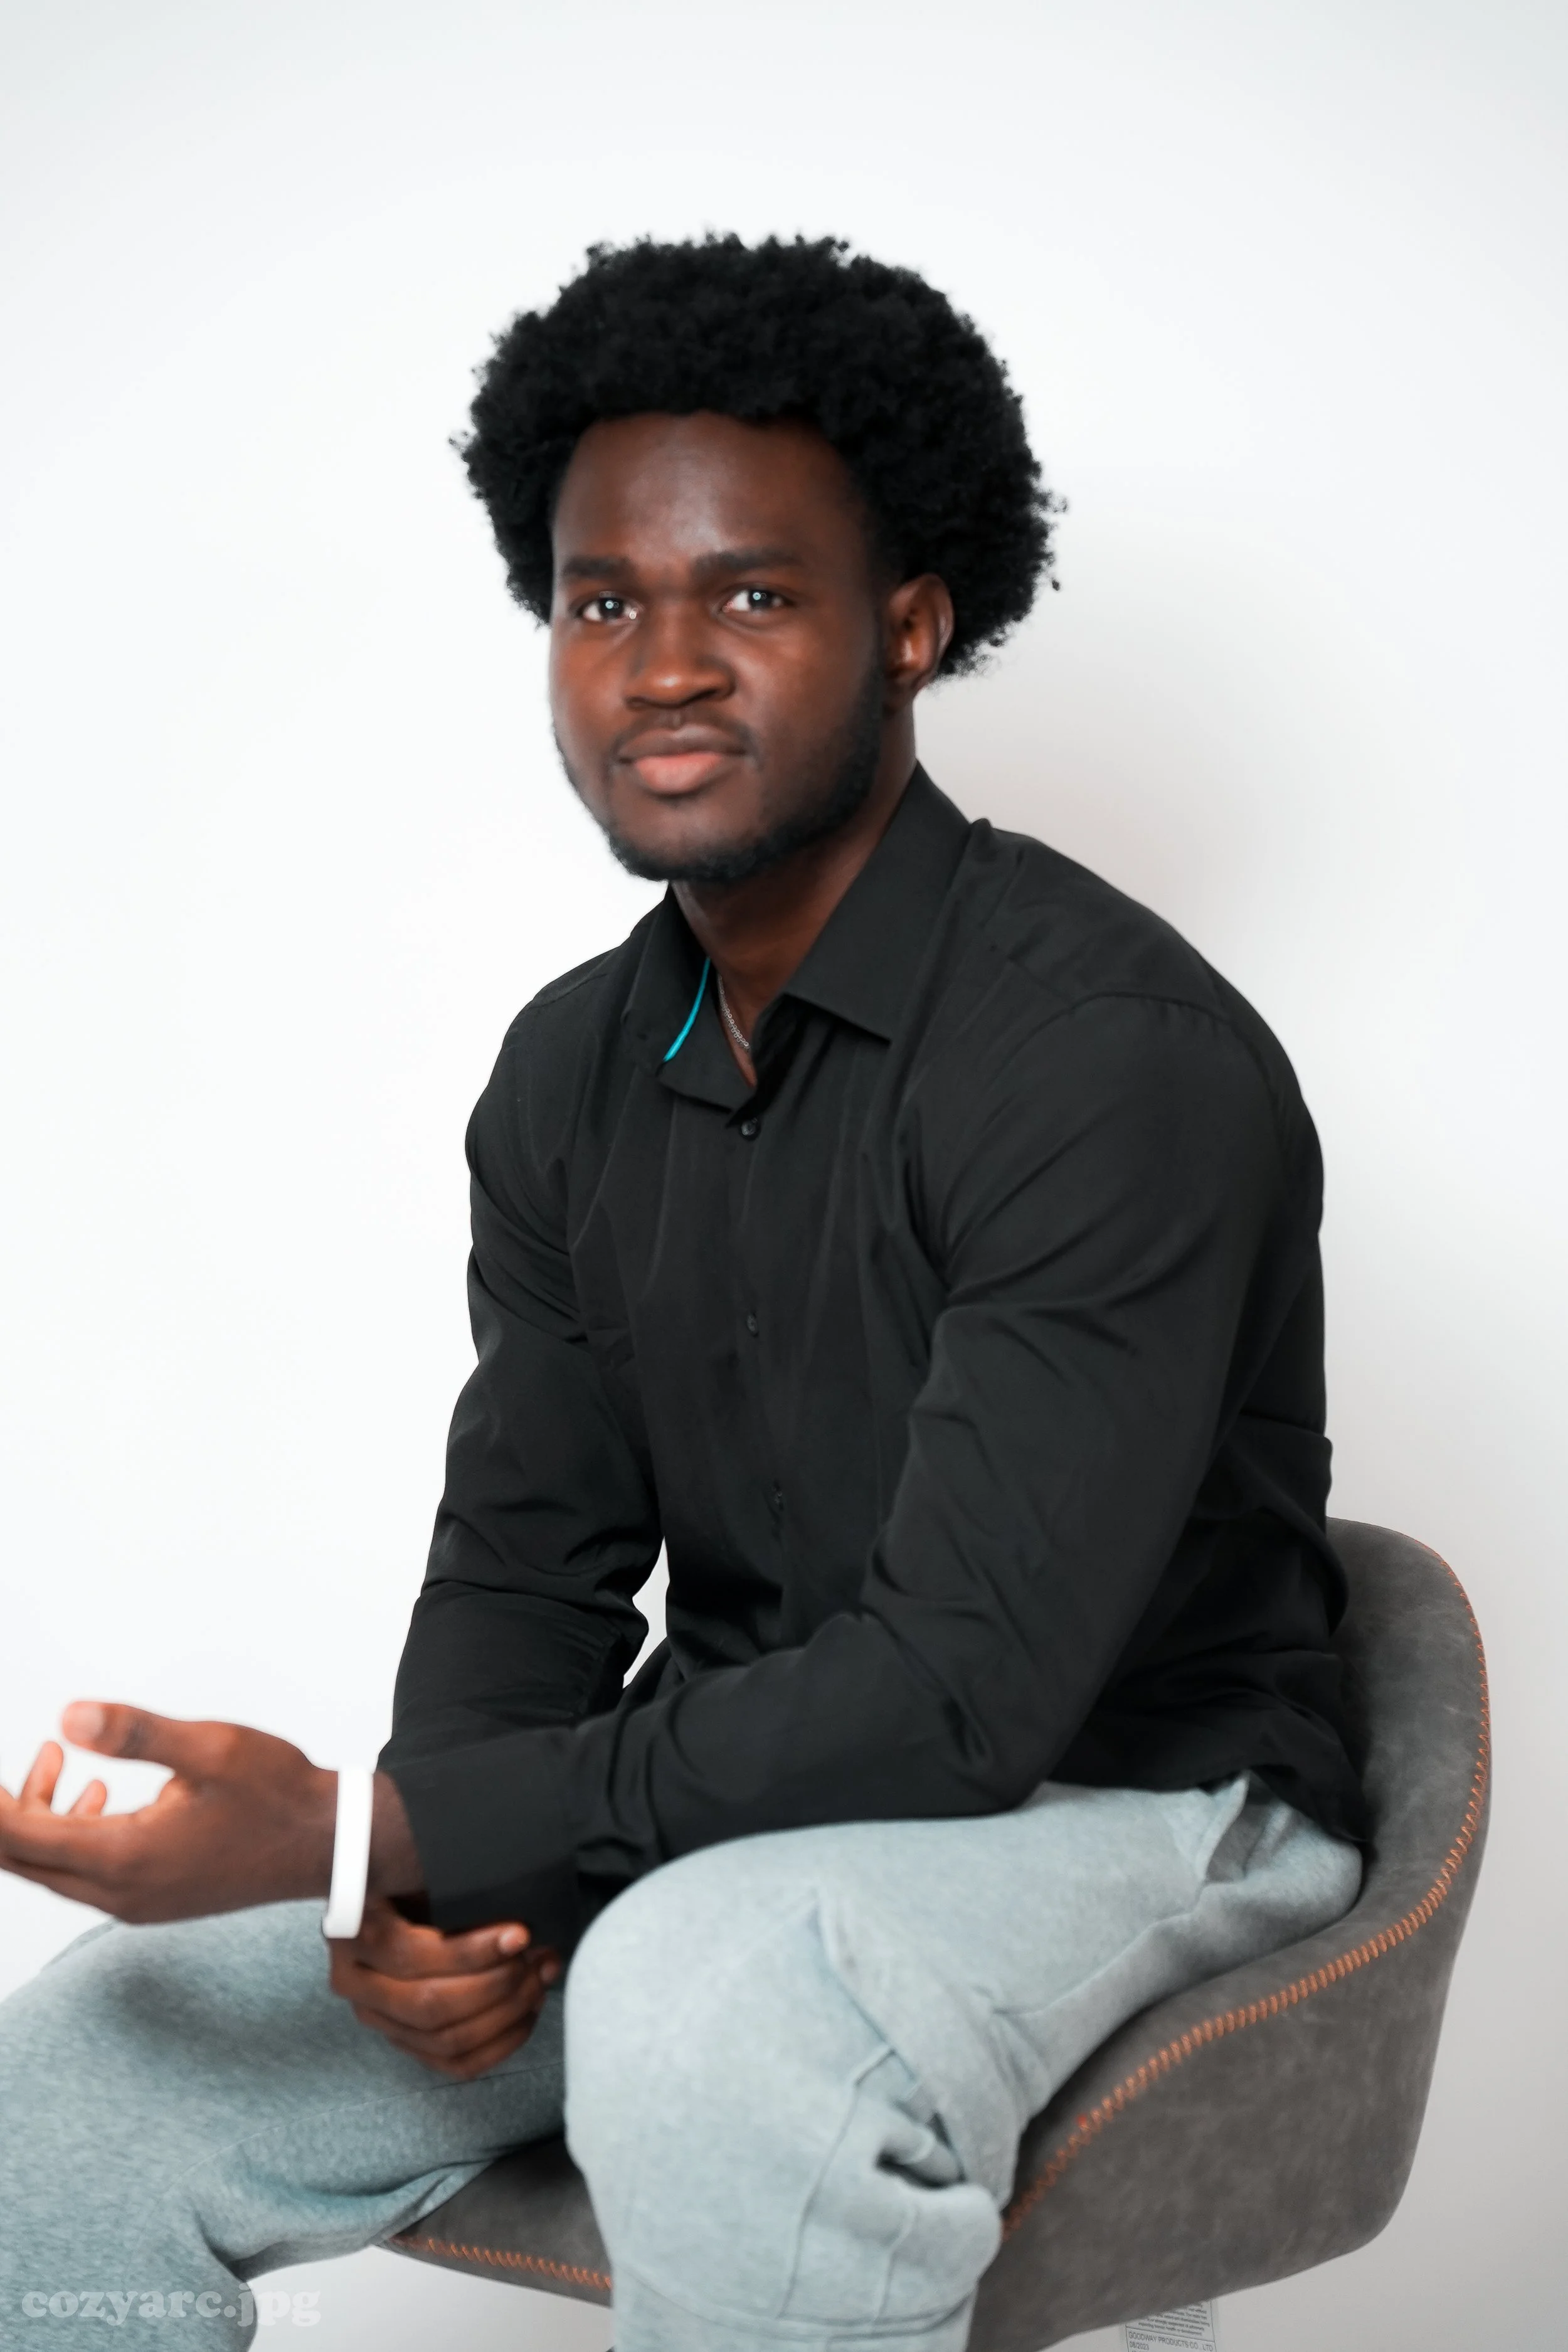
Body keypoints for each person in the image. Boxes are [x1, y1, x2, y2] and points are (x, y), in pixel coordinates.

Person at [0, 236, 1363, 2350]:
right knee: (96, 2064)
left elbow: (960, 1694)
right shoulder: (564, 1072)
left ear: (909, 626)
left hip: (1146, 1803)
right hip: (732, 1822)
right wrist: (412, 1887)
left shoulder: (1109, 1060)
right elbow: (531, 1566)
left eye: (749, 593)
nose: (658, 666)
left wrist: (398, 1819)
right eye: (597, 599)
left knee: (710, 1988)